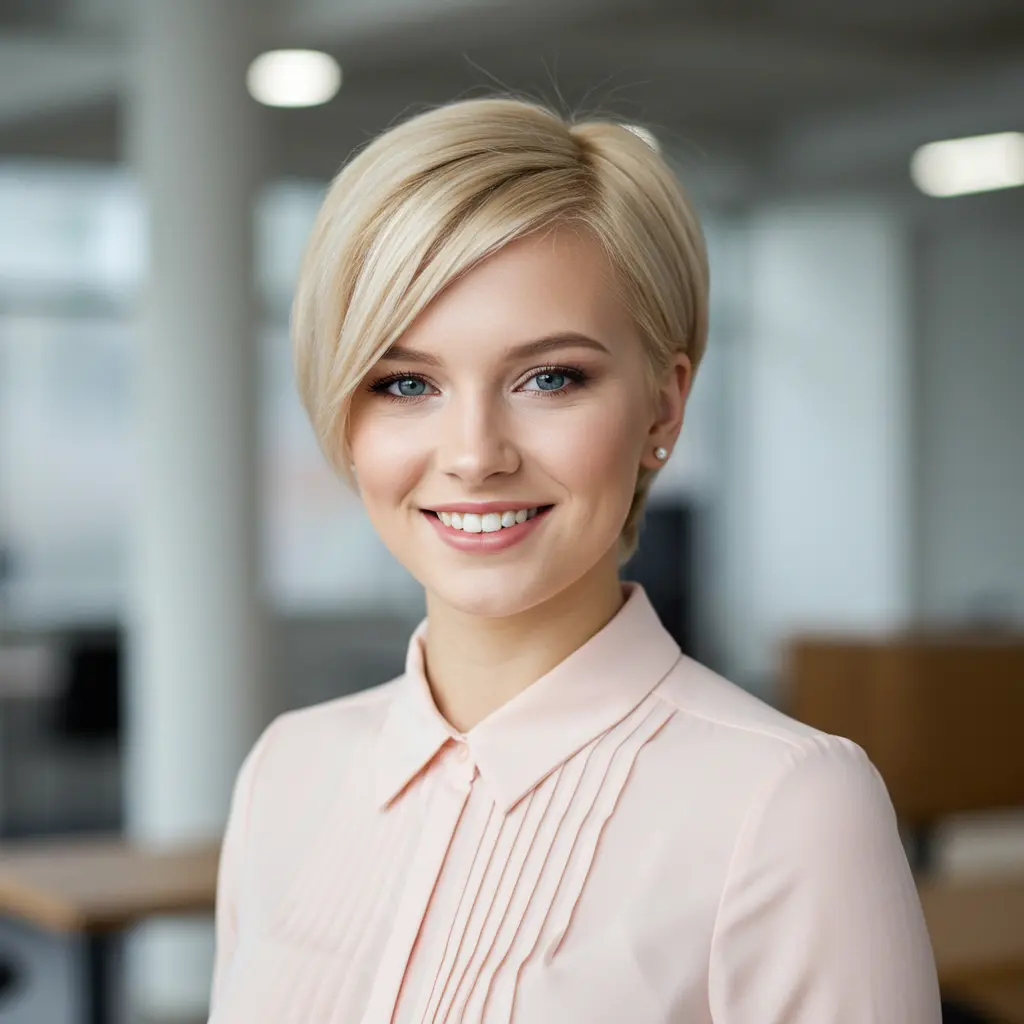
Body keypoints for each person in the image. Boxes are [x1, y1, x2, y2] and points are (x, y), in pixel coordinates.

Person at [208, 97, 941, 1023]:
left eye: (550, 377)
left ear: (663, 410)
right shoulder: (289, 770)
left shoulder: (788, 808)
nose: (475, 454)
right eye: (405, 384)